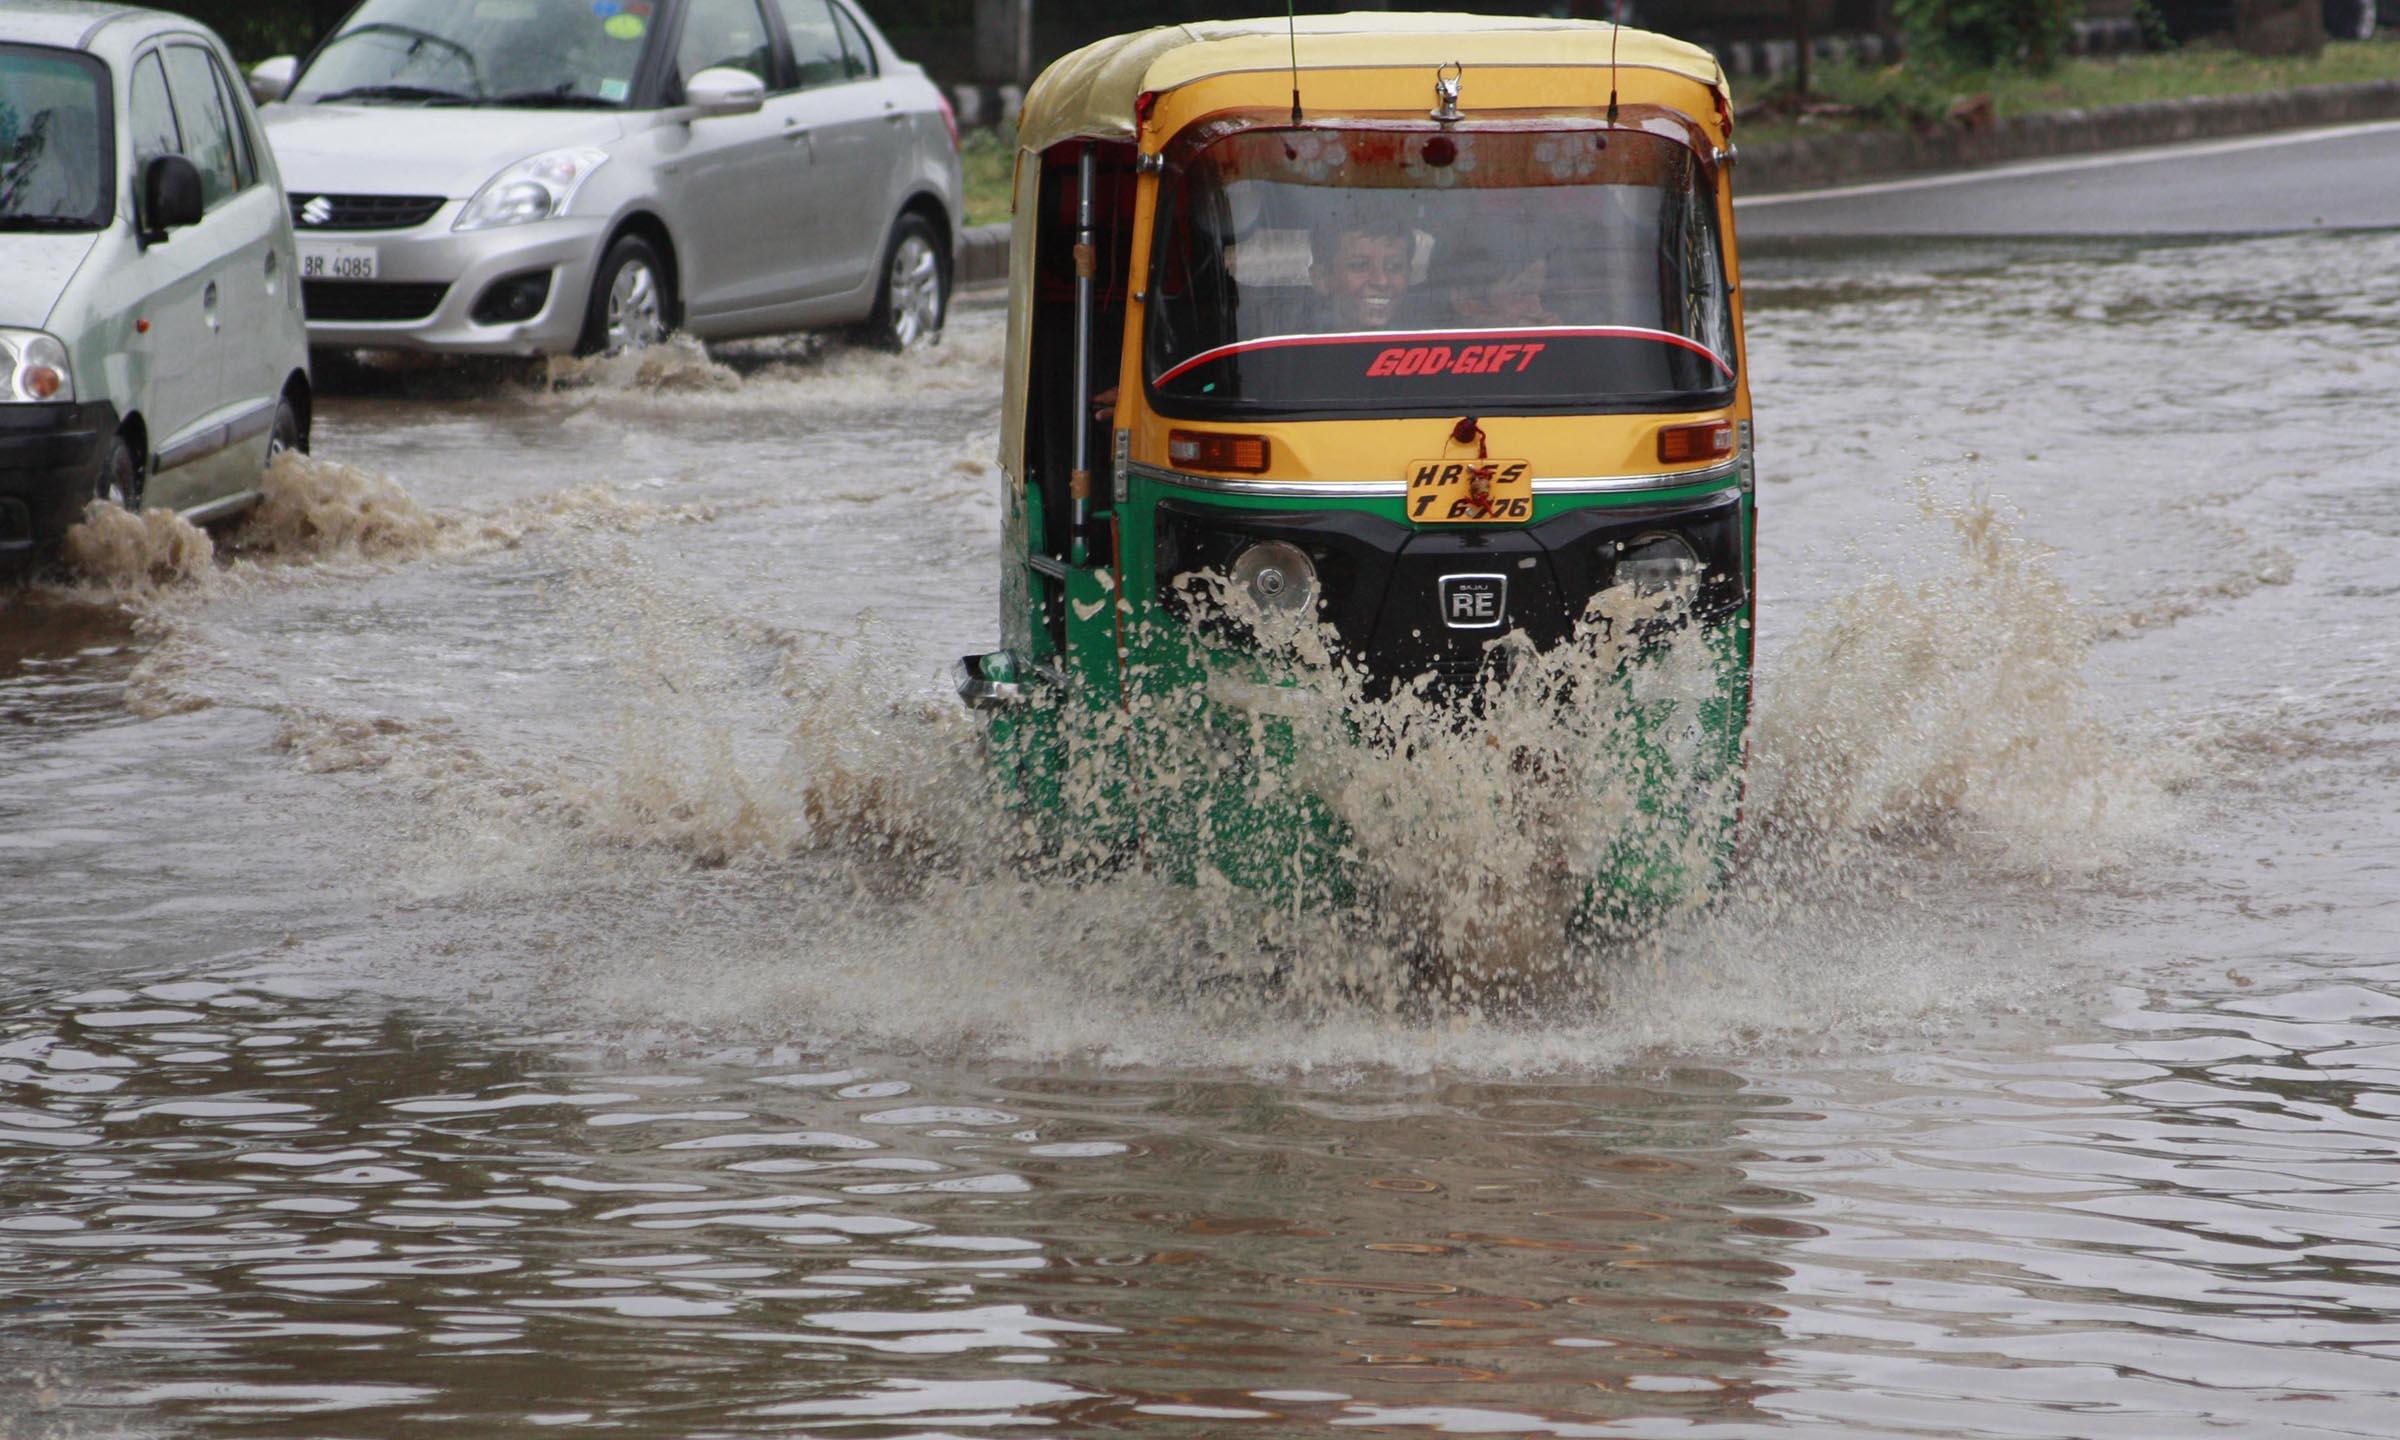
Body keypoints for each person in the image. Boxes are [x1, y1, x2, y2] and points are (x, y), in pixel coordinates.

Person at [1306, 218, 1418, 332]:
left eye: (1394, 266)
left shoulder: (1423, 335)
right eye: (1359, 266)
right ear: (1321, 277)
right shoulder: (1300, 339)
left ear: (1409, 275)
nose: (1381, 281)